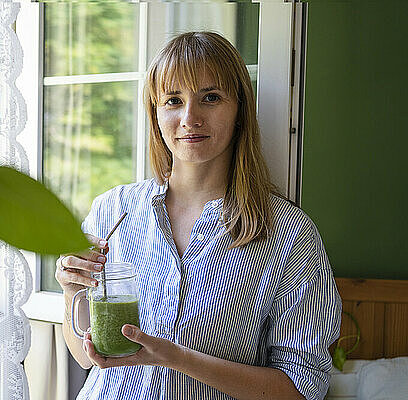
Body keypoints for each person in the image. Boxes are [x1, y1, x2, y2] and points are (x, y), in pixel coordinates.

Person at [55, 31, 341, 400]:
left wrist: (175, 357)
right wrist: (71, 290)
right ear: (156, 114)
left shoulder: (288, 234)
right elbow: (88, 357)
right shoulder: (111, 210)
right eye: (173, 100)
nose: (190, 118)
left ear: (239, 109)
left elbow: (302, 388)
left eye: (210, 98)